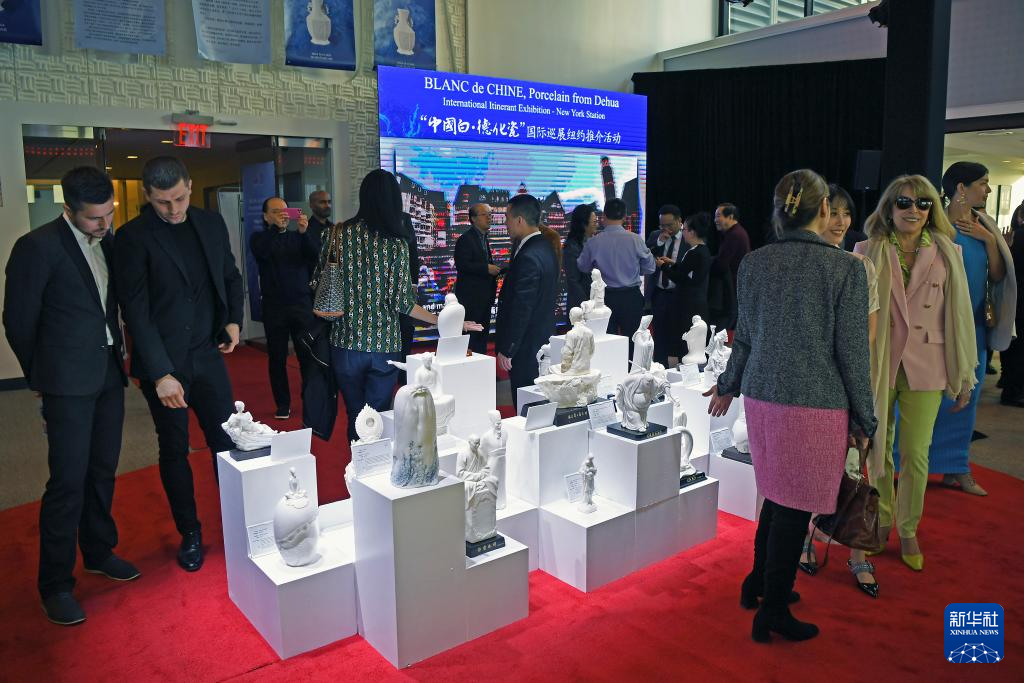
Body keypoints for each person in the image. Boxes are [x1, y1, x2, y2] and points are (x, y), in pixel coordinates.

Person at [707, 169, 876, 643]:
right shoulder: (845, 269)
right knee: (794, 507)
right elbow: (852, 354)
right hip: (815, 405)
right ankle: (774, 611)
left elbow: (743, 338)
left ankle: (759, 584)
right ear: (823, 210)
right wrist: (865, 417)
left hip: (763, 398)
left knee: (778, 498)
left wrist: (728, 384)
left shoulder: (755, 263)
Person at [3, 166, 138, 625]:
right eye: (94, 218)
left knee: (102, 471)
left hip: (108, 375)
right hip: (66, 384)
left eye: (109, 214)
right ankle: (56, 584)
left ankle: (99, 551)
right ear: (68, 209)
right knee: (67, 482)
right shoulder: (37, 247)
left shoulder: (108, 244)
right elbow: (18, 322)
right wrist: (43, 379)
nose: (104, 224)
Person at [115, 156, 243, 574]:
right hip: (166, 365)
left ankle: (240, 524)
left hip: (207, 353)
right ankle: (190, 532)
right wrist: (160, 373)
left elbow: (230, 276)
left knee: (227, 441)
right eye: (162, 202)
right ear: (148, 196)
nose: (173, 209)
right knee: (174, 448)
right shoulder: (133, 237)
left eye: (179, 199)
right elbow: (136, 311)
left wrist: (233, 320)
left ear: (189, 186)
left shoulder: (210, 223)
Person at [854, 174, 978, 572]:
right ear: (889, 208)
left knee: (916, 453)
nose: (914, 210)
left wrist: (963, 373)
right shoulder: (865, 251)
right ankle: (880, 523)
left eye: (923, 203)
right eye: (904, 202)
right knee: (877, 449)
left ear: (932, 209)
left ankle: (908, 529)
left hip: (928, 362)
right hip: (879, 361)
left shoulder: (948, 252)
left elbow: (960, 316)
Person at [310, 170, 481, 441]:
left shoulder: (336, 235)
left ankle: (357, 460)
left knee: (355, 414)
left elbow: (317, 283)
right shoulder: (396, 243)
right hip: (384, 345)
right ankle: (373, 464)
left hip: (344, 343)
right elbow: (403, 303)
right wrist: (446, 321)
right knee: (377, 418)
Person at [799, 184, 881, 598]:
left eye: (847, 213)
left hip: (847, 384)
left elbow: (867, 335)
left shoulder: (861, 266)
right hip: (807, 388)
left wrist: (853, 387)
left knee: (855, 466)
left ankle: (857, 551)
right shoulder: (799, 265)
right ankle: (804, 538)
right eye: (833, 213)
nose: (841, 221)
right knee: (809, 466)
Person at [918, 162, 1014, 495]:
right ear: (961, 187)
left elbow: (997, 275)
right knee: (925, 397)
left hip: (973, 326)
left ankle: (956, 466)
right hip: (936, 326)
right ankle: (907, 464)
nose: (987, 190)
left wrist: (989, 241)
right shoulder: (935, 224)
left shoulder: (983, 224)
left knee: (966, 398)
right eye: (982, 183)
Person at [251, 197, 319, 420]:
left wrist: (304, 232)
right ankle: (282, 404)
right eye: (276, 211)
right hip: (274, 307)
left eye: (284, 211)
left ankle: (310, 399)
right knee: (277, 357)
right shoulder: (259, 238)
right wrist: (275, 229)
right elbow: (262, 252)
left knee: (306, 355)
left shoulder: (297, 236)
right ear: (265, 216)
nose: (282, 215)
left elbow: (315, 256)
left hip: (301, 304)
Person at [496, 193, 561, 411]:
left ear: (519, 220)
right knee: (540, 404)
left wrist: (508, 348)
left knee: (527, 407)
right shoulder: (547, 248)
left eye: (507, 218)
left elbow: (522, 307)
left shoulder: (528, 255)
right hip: (542, 339)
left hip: (527, 347)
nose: (505, 224)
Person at [576, 197, 656, 354]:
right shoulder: (635, 239)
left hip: (604, 299)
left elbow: (582, 266)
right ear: (625, 217)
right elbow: (650, 267)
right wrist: (636, 270)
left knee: (606, 343)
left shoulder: (593, 242)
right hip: (631, 297)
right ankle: (632, 369)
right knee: (634, 342)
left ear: (604, 216)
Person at [664, 212, 713, 366]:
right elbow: (688, 271)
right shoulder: (702, 250)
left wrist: (663, 267)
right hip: (697, 301)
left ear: (692, 232)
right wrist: (673, 263)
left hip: (688, 304)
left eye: (684, 229)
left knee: (685, 342)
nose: (683, 232)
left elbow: (680, 277)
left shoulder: (694, 252)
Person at [454, 203, 500, 354]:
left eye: (490, 214)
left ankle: (482, 364)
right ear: (473, 219)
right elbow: (462, 264)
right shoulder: (465, 239)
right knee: (471, 338)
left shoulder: (483, 238)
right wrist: (486, 268)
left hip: (485, 297)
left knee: (482, 335)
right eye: (484, 214)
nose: (489, 217)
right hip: (471, 299)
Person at [648, 204, 685, 365]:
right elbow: (646, 256)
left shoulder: (688, 237)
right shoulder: (655, 235)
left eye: (669, 225)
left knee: (681, 335)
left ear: (679, 221)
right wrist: (659, 243)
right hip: (660, 293)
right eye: (662, 225)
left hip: (680, 294)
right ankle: (659, 368)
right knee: (660, 336)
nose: (666, 229)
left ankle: (683, 370)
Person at [1000, 203, 1024, 406]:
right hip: (1019, 300)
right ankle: (1012, 391)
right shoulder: (1019, 236)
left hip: (1013, 299)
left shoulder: (1015, 235)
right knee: (1018, 349)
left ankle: (1009, 384)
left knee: (1013, 345)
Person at [562, 204, 598, 311]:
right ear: (584, 225)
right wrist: (587, 304)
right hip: (581, 305)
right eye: (594, 222)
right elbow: (573, 281)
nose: (597, 225)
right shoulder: (571, 247)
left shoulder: (593, 242)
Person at [713, 202, 751, 294]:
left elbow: (722, 264)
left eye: (718, 216)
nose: (715, 220)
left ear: (730, 217)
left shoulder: (734, 235)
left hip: (733, 289)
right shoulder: (736, 232)